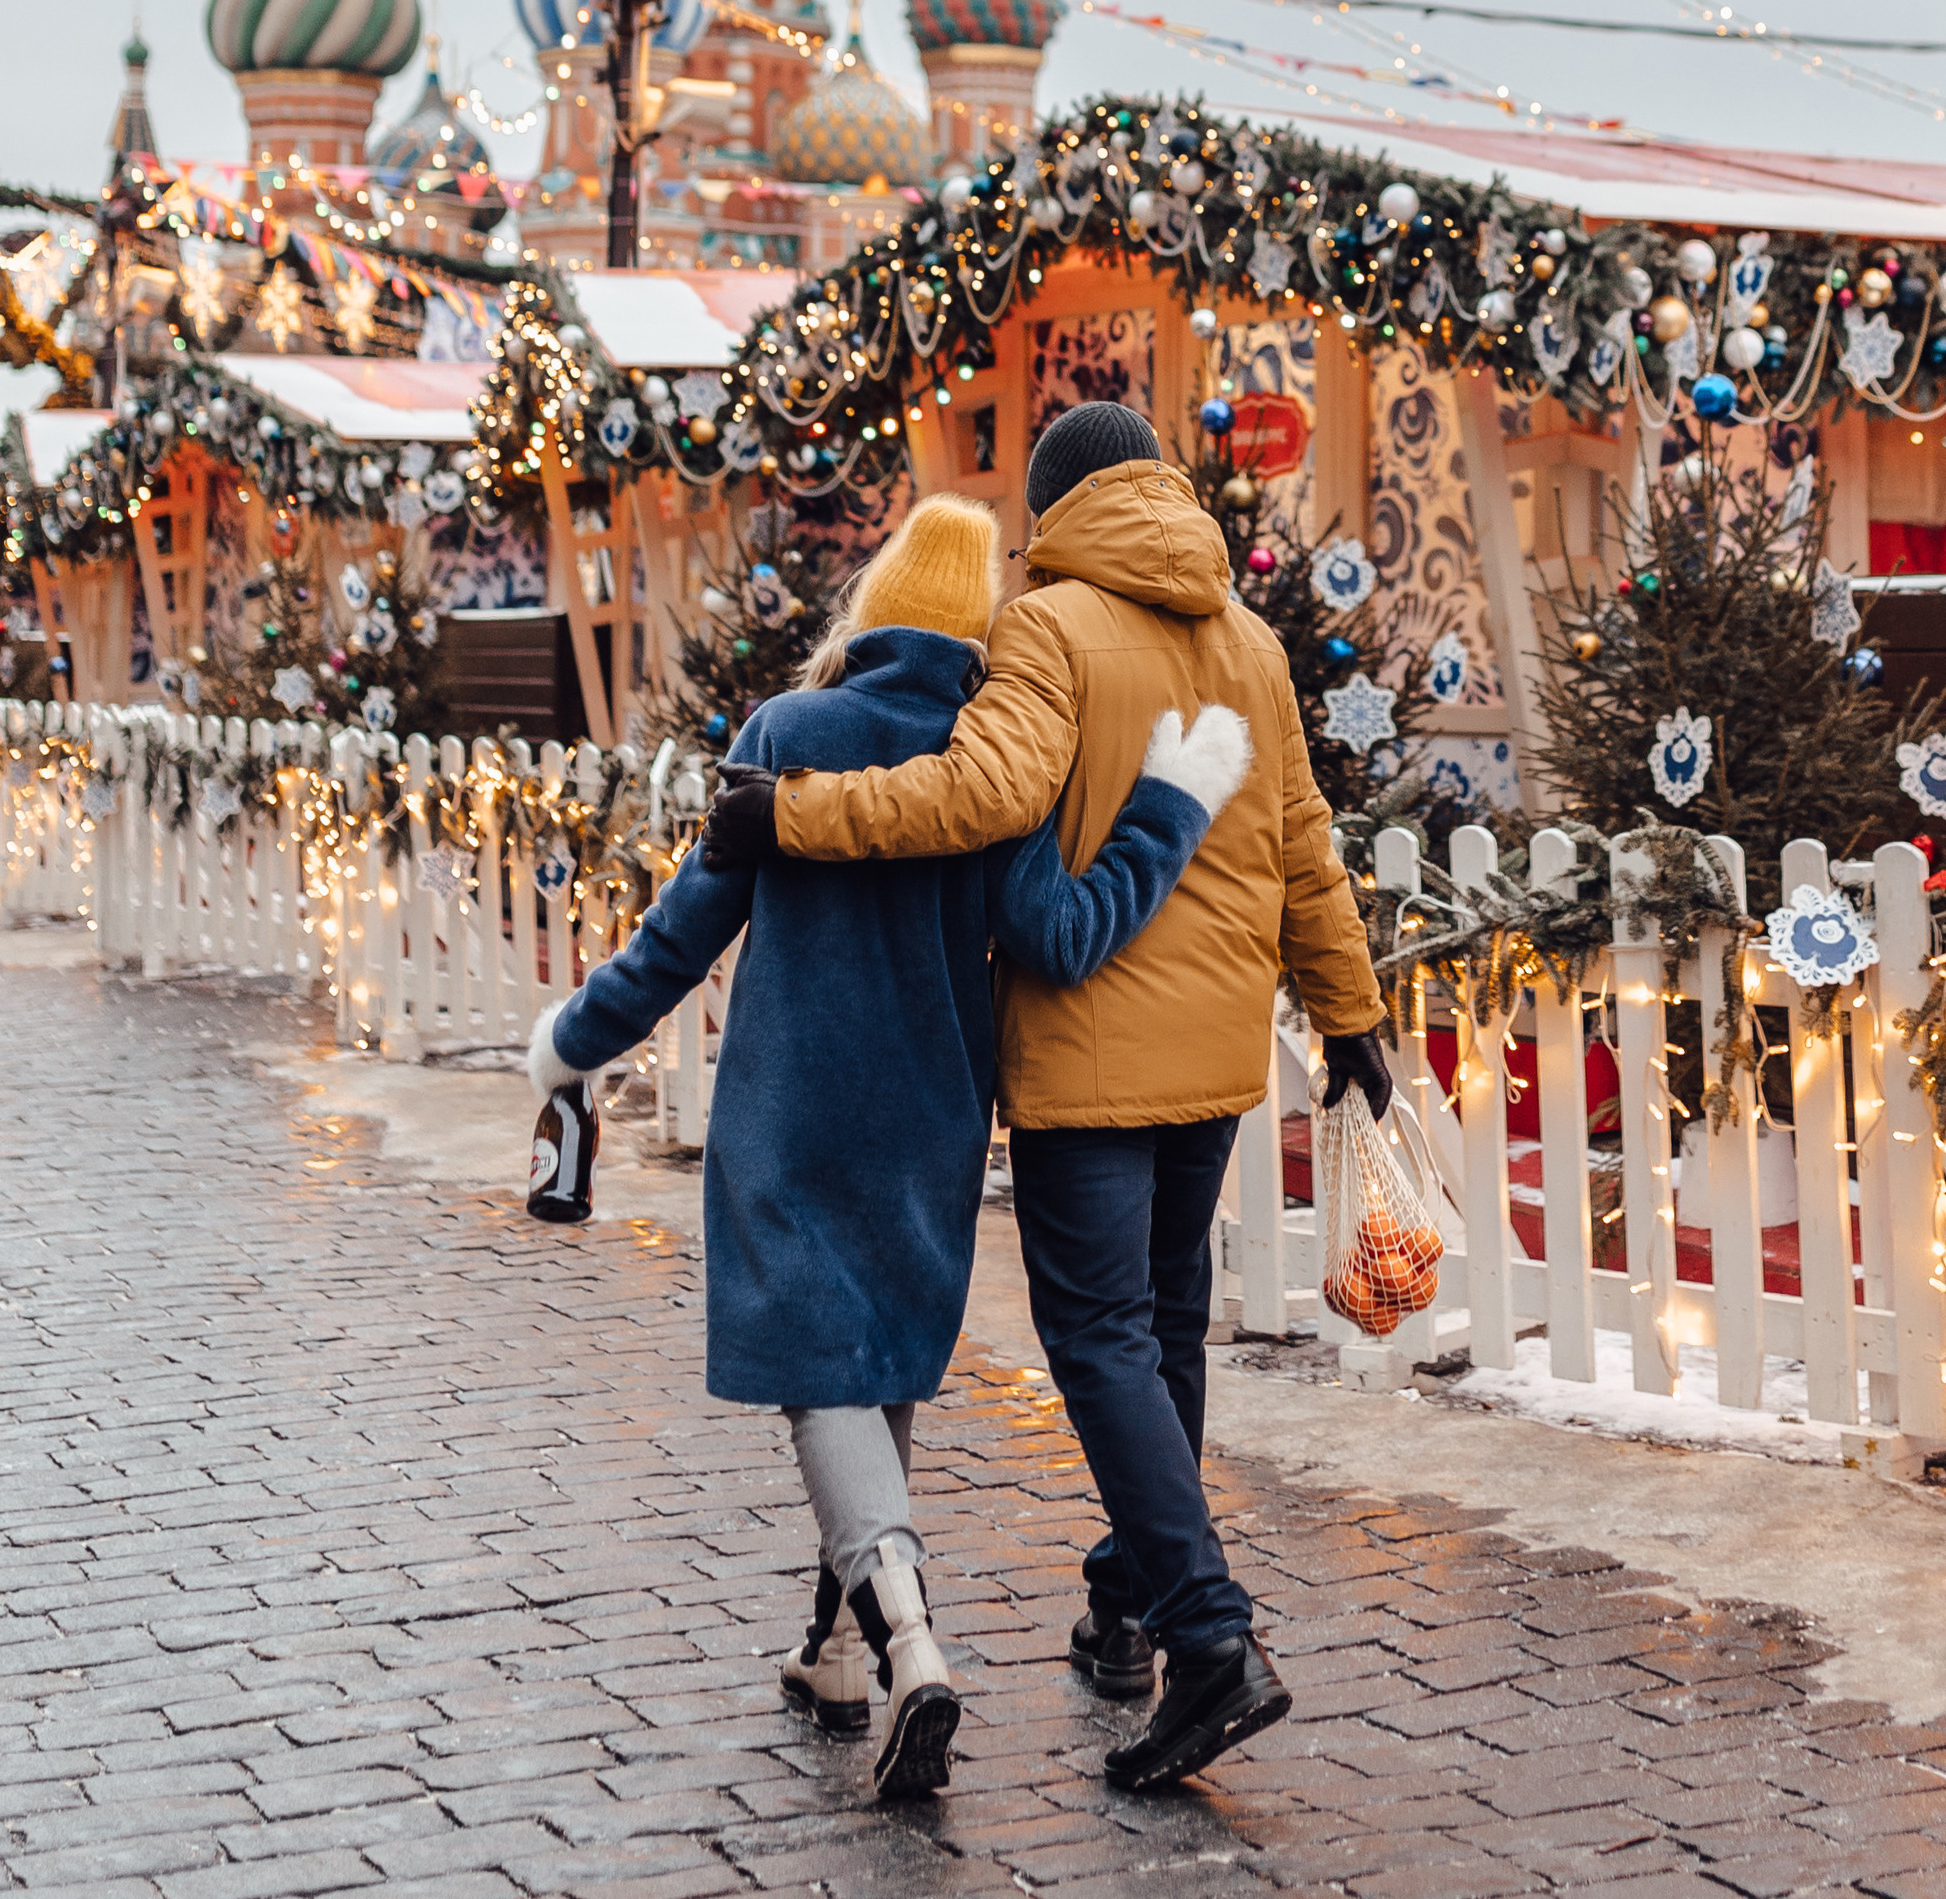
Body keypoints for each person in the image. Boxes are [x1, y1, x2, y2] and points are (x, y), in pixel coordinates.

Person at [703, 402, 1393, 1794]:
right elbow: (1306, 850)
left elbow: (974, 794)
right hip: (1214, 1055)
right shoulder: (1252, 645)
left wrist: (792, 813)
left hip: (1089, 1051)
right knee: (1165, 1333)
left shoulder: (1049, 628)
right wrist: (1351, 1010)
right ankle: (1130, 1602)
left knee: (1100, 1340)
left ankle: (1208, 1639)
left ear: (1056, 504)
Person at [528, 492, 1252, 1802]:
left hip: (794, 1114)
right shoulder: (994, 760)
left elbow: (683, 931)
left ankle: (911, 1646)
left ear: (870, 609)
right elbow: (1067, 936)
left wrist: (574, 1039)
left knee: (824, 1378)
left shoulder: (788, 734)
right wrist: (1169, 806)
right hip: (931, 1115)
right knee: (875, 1373)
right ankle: (834, 1652)